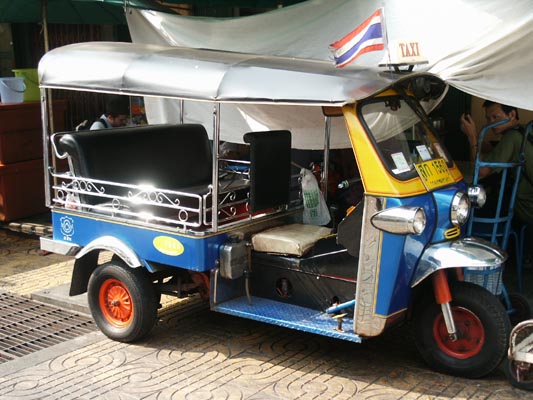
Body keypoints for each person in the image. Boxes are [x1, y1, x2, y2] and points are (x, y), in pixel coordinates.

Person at [460, 100, 533, 225]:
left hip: (524, 208)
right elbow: (496, 152)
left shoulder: (512, 137)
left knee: (467, 210)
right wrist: (476, 135)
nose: (491, 123)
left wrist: (471, 137)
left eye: (495, 117)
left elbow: (482, 171)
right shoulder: (524, 131)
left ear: (511, 115)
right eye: (488, 119)